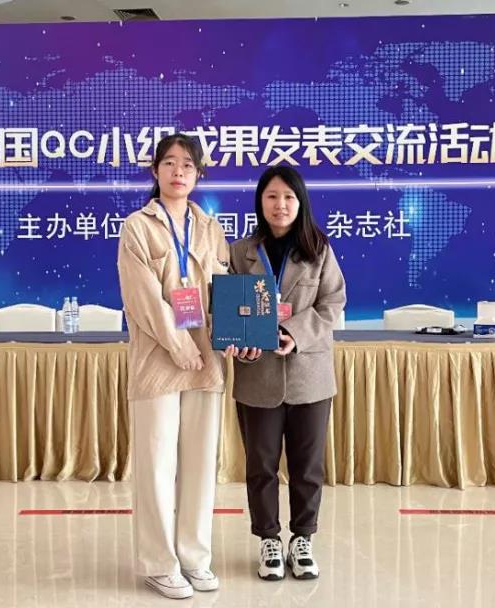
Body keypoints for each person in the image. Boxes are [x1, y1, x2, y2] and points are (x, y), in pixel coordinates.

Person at [116, 133, 230, 600]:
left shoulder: (211, 228)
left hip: (206, 360)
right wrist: (178, 344)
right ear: (155, 170)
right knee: (157, 464)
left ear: (198, 173)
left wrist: (237, 335)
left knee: (201, 464)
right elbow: (142, 296)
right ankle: (159, 563)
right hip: (158, 360)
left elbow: (224, 288)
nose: (178, 171)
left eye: (187, 164)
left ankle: (195, 557)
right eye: (169, 162)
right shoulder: (137, 227)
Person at [224, 165, 346, 581]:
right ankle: (269, 540)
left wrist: (294, 333)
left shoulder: (318, 248)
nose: (280, 205)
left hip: (309, 375)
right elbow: (227, 308)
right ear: (260, 202)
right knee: (260, 466)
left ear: (300, 202)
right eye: (272, 196)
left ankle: (303, 538)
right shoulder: (240, 252)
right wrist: (239, 341)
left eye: (289, 197)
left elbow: (333, 303)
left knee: (307, 467)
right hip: (256, 375)